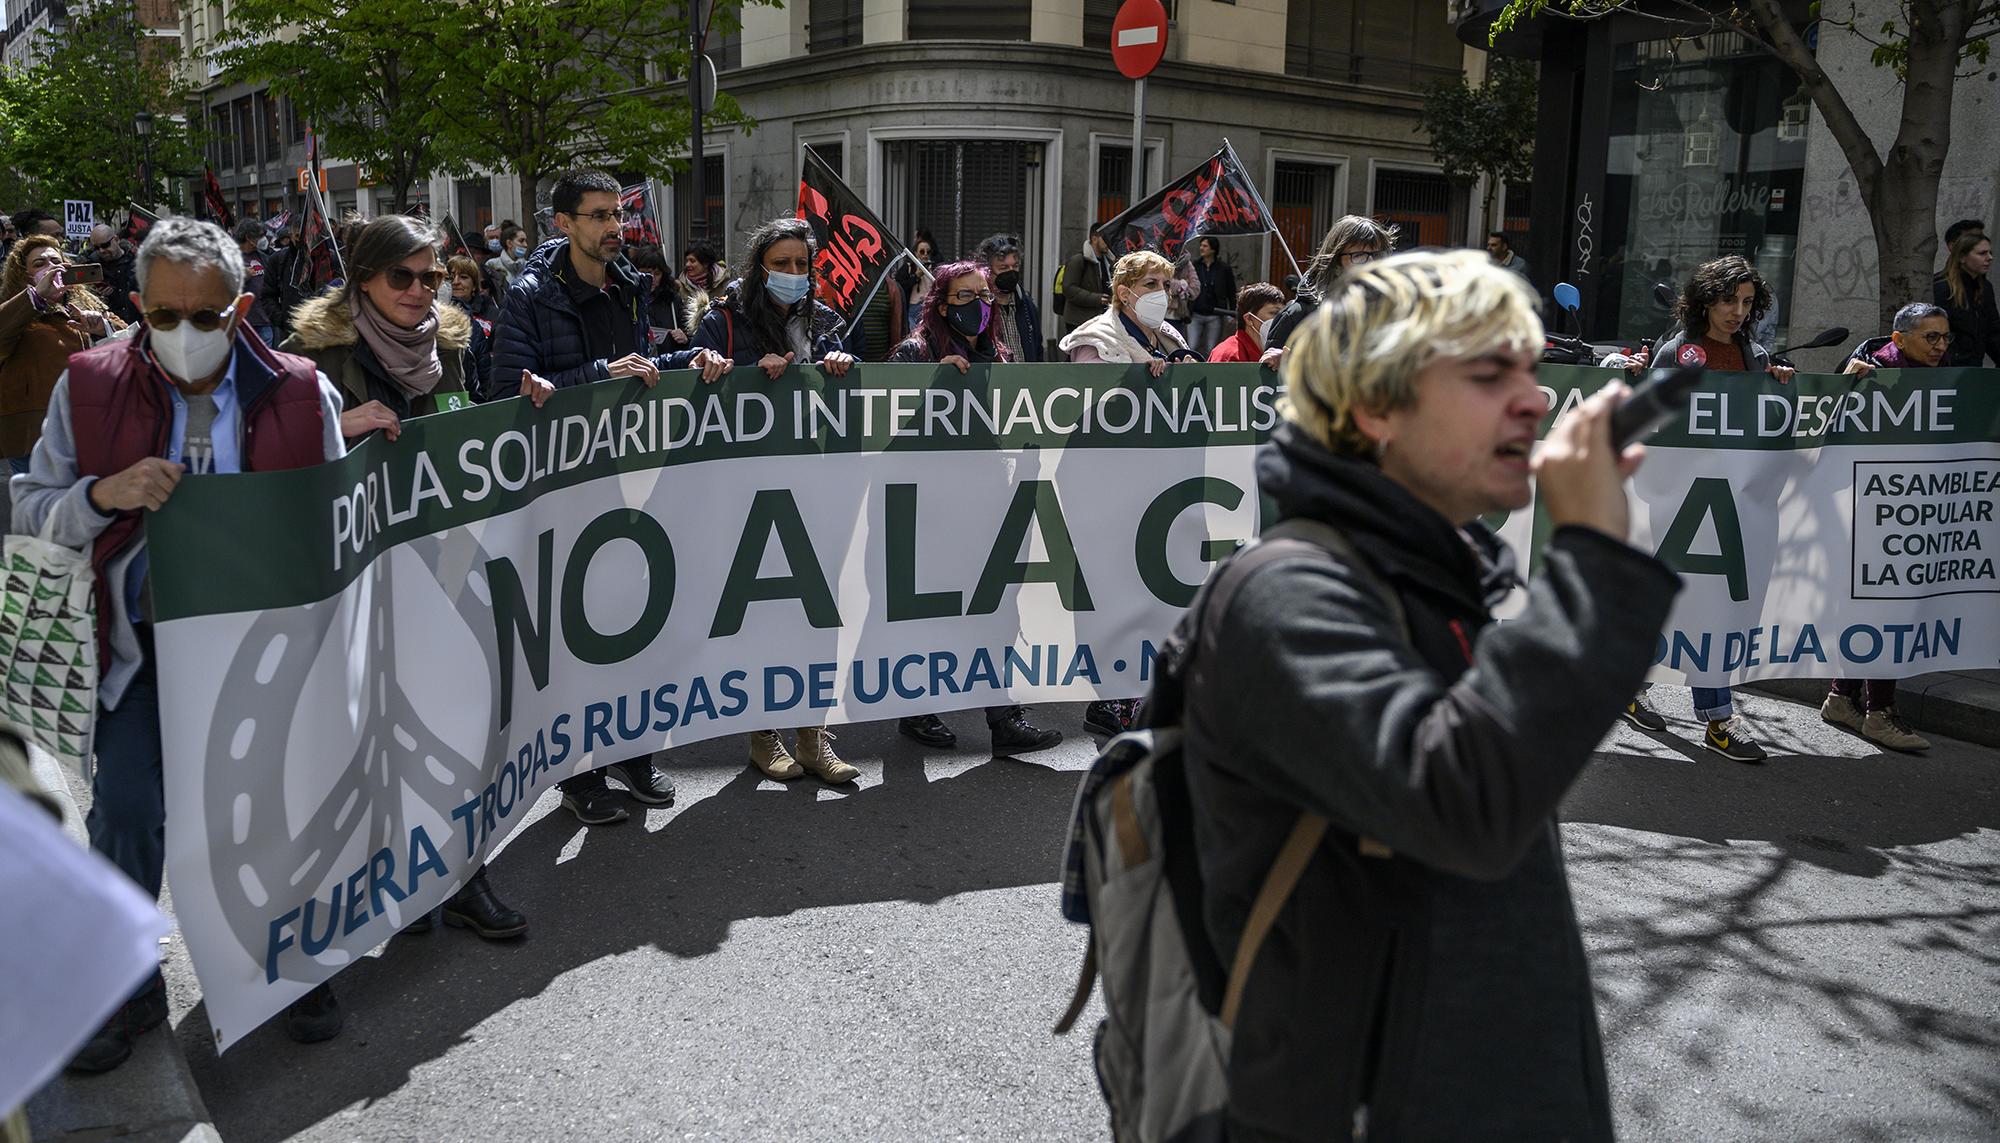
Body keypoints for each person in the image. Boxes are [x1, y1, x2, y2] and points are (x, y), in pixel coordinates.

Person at [1183, 248, 1676, 1141]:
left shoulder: (1448, 575)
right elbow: (1463, 800)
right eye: (1489, 373)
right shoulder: (1284, 594)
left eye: (1530, 370)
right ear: (1376, 406)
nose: (1533, 399)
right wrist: (1596, 565)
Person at [13, 217, 350, 1067]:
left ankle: (292, 961)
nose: (184, 332)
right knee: (126, 813)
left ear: (240, 308)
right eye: (165, 314)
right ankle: (122, 988)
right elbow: (29, 510)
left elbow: (345, 525)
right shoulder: (86, 386)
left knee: (279, 806)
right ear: (138, 306)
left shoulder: (304, 392)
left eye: (205, 316)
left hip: (265, 648)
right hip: (141, 649)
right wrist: (101, 494)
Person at [493, 170, 731, 824]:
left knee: (632, 627)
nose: (612, 227)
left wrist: (695, 366)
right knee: (580, 637)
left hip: (629, 482)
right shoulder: (530, 296)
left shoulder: (631, 285)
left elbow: (643, 371)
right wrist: (601, 374)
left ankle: (631, 751)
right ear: (562, 223)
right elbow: (505, 395)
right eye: (597, 216)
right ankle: (581, 773)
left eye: (617, 214)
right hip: (564, 493)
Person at [690, 216, 862, 785]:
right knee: (762, 612)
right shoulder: (723, 321)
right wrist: (744, 374)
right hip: (747, 491)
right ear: (758, 266)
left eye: (801, 265)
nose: (792, 274)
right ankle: (763, 733)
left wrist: (837, 366)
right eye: (780, 264)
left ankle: (813, 734)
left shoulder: (825, 320)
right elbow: (695, 387)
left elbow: (851, 389)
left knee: (819, 610)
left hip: (816, 485)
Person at [1630, 255, 1794, 760]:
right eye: (1728, 300)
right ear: (1704, 301)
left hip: (1728, 512)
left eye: (1747, 302)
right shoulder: (1676, 353)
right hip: (1678, 505)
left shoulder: (1756, 358)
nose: (1738, 312)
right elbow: (1647, 422)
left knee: (1715, 609)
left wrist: (1779, 382)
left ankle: (1718, 719)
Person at [1060, 249, 1195, 738]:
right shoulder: (1094, 341)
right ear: (1123, 292)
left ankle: (1145, 690)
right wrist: (1137, 384)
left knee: (1149, 589)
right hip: (1100, 486)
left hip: (1154, 486)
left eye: (1167, 282)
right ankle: (1104, 698)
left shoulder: (1171, 337)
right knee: (1107, 588)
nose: (1164, 292)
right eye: (1152, 284)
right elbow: (1085, 410)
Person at [1819, 304, 1949, 753]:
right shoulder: (1865, 373)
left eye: (1944, 337)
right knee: (1884, 607)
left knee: (1881, 607)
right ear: (1899, 339)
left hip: (1909, 510)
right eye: (1931, 337)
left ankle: (1841, 697)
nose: (1940, 346)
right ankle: (1879, 713)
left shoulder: (1940, 375)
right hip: (1864, 510)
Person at [1, 236, 125, 470]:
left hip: (88, 426)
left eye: (55, 260)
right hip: (34, 434)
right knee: (41, 505)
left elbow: (130, 342)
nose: (50, 267)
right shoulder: (14, 308)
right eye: (39, 264)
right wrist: (36, 297)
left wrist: (102, 327)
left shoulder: (87, 305)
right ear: (24, 274)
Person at [1259, 215, 1398, 370]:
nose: (1371, 264)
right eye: (1359, 256)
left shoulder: (1393, 312)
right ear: (1336, 262)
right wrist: (1283, 361)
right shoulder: (1297, 316)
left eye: (1377, 255)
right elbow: (1273, 385)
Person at [1933, 231, 1999, 367]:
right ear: (1962, 257)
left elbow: (1993, 333)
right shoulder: (1942, 288)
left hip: (1973, 368)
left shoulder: (1985, 288)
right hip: (1948, 369)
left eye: (1990, 253)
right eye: (1982, 253)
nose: (1989, 258)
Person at [975, 233, 1043, 362]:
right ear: (987, 270)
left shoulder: (1027, 305)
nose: (1011, 272)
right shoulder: (979, 306)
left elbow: (1037, 349)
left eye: (1015, 266)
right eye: (1003, 267)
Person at [628, 243, 692, 354]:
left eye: (657, 274)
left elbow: (692, 337)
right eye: (646, 273)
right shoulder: (627, 299)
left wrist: (685, 338)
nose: (651, 278)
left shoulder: (672, 300)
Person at [1207, 281, 1285, 363]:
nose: (1281, 318)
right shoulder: (1229, 355)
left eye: (1283, 313)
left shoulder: (1277, 353)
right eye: (1274, 313)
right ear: (1249, 319)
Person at [1186, 236, 1237, 355]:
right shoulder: (1195, 265)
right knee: (1191, 346)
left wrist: (1233, 312)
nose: (1201, 248)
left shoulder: (1224, 268)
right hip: (1196, 313)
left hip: (1215, 314)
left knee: (1211, 348)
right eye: (1201, 245)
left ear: (1213, 249)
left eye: (1205, 246)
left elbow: (1231, 291)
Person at [232, 219, 278, 345]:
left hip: (264, 320)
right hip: (243, 323)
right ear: (249, 237)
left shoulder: (263, 257)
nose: (263, 240)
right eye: (259, 236)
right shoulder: (230, 257)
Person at [1060, 230, 1116, 334]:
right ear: (1094, 239)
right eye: (1105, 239)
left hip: (1100, 321)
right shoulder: (1078, 260)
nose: (1109, 243)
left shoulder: (1109, 261)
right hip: (1079, 322)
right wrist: (1097, 298)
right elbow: (1069, 288)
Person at [85, 224, 141, 323]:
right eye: (96, 248)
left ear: (116, 239)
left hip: (137, 321)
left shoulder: (136, 259)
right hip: (111, 324)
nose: (101, 251)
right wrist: (98, 295)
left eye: (105, 245)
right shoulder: (90, 264)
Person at [485, 223, 531, 292]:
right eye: (521, 241)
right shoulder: (492, 264)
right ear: (509, 243)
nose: (525, 245)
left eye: (526, 241)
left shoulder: (529, 266)